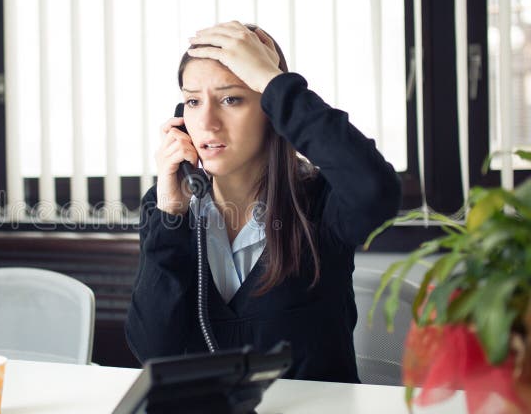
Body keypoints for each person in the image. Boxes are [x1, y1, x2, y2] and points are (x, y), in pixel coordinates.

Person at [124, 21, 402, 382]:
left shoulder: (321, 203)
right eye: (193, 101)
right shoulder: (169, 207)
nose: (207, 122)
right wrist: (170, 215)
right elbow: (152, 350)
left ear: (272, 109)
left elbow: (375, 189)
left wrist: (273, 82)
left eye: (231, 99)